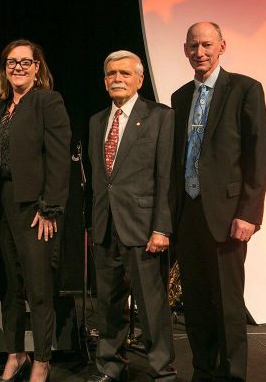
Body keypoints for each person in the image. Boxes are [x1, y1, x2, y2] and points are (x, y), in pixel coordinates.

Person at [171, 22, 266, 381]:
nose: (200, 51)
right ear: (185, 50)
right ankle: (203, 370)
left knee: (228, 305)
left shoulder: (245, 89)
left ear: (222, 46)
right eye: (193, 45)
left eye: (207, 44)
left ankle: (232, 375)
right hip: (188, 215)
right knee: (195, 303)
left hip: (228, 217)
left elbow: (258, 155)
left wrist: (248, 213)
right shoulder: (180, 97)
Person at [87, 50, 176, 382]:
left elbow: (165, 176)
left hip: (143, 228)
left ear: (139, 79)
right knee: (107, 306)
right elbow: (102, 181)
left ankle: (162, 371)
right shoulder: (98, 120)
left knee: (151, 307)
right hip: (105, 226)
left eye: (125, 73)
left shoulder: (159, 116)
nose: (117, 79)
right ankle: (110, 366)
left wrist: (162, 227)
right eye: (111, 74)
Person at [0, 39, 71, 382]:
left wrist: (50, 208)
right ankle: (15, 352)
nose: (18, 67)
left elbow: (59, 156)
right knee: (8, 286)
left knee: (38, 288)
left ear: (38, 67)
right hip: (1, 204)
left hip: (35, 207)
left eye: (25, 61)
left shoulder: (47, 102)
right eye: (11, 62)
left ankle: (42, 358)